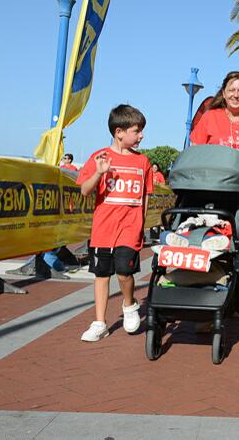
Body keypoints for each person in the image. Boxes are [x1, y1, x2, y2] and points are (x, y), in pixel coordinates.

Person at [77, 104, 154, 342]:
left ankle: (129, 305)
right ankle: (100, 322)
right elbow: (85, 191)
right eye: (136, 130)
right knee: (101, 275)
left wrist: (141, 224)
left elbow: (145, 197)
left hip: (130, 229)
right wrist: (99, 173)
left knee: (123, 272)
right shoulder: (99, 157)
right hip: (103, 229)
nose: (141, 135)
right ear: (119, 132)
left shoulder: (143, 162)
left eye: (141, 130)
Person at [190, 71, 239, 231]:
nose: (236, 95)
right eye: (231, 90)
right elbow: (194, 152)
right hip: (210, 190)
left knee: (237, 245)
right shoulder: (210, 117)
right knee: (207, 238)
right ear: (224, 93)